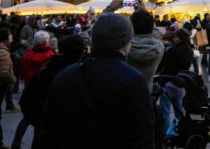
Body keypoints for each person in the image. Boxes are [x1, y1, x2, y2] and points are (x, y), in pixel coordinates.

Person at [39, 13, 155, 148]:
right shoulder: (133, 80)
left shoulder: (66, 75)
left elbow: (48, 128)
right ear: (126, 42)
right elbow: (142, 136)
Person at [20, 35, 85, 149]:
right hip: (75, 133)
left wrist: (39, 121)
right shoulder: (85, 74)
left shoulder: (45, 71)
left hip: (45, 130)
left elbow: (26, 101)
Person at [125, 9, 164, 90]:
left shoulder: (124, 46)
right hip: (146, 90)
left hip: (125, 91)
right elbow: (155, 32)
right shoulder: (159, 46)